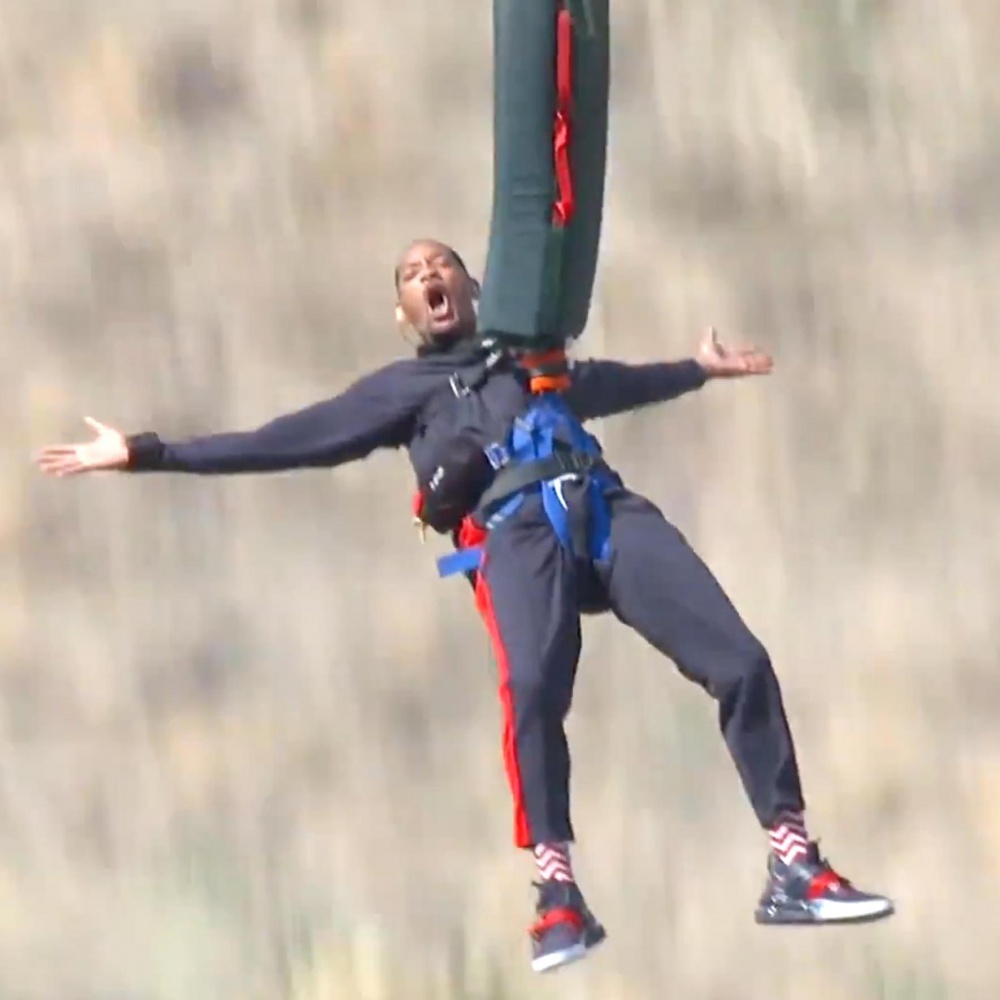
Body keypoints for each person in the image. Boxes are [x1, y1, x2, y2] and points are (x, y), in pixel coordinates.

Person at [36, 238, 894, 974]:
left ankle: (793, 867)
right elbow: (280, 442)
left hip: (602, 508)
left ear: (476, 288)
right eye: (414, 273)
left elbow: (607, 383)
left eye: (444, 263)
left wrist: (696, 371)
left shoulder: (528, 359)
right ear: (405, 311)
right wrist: (145, 453)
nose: (430, 274)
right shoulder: (400, 392)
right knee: (531, 692)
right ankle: (557, 889)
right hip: (515, 536)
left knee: (741, 660)